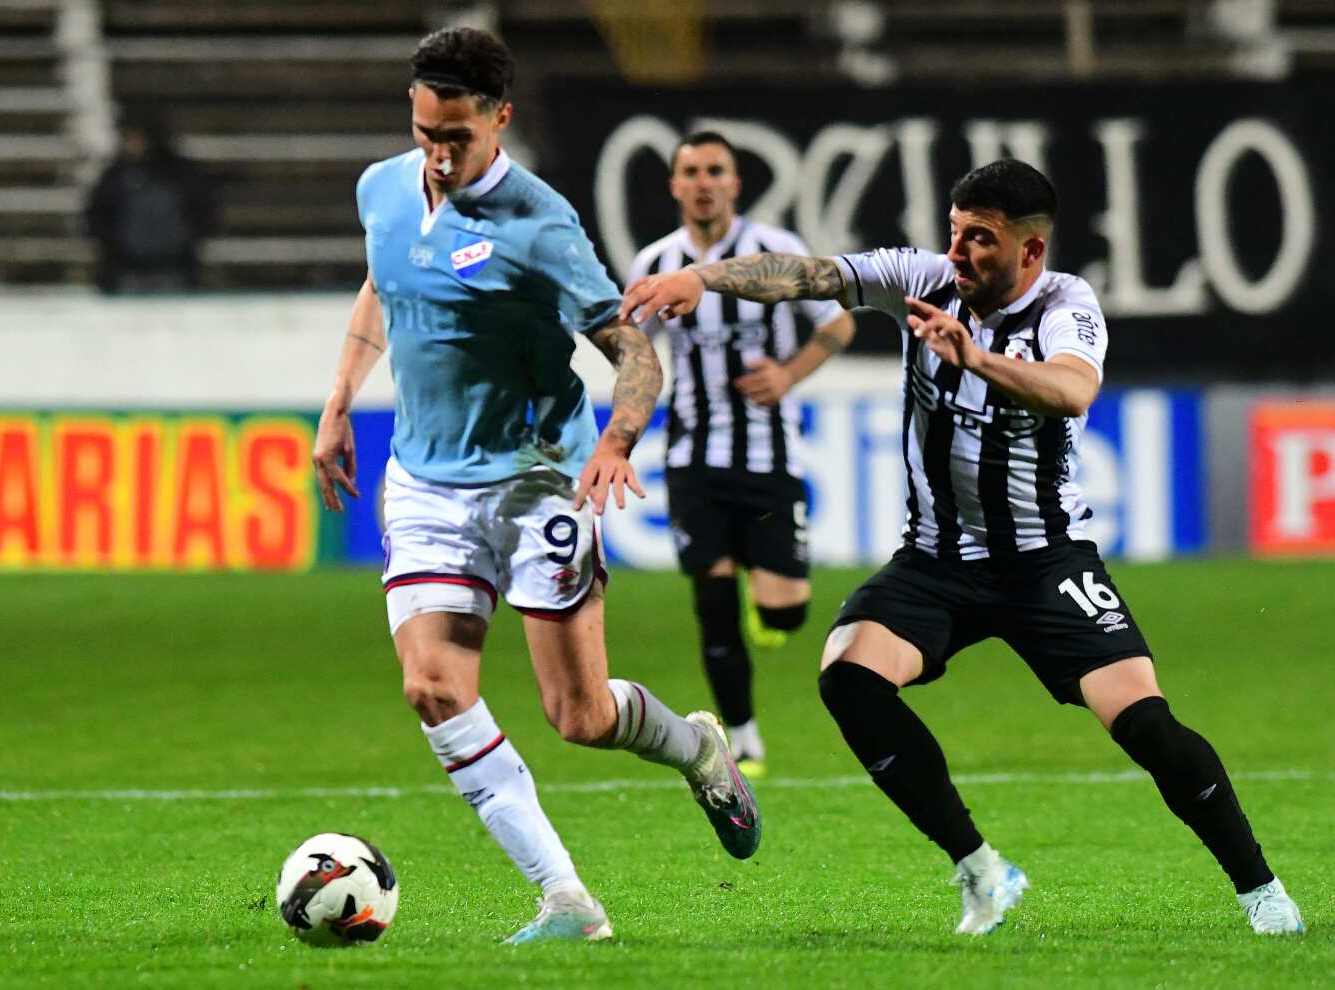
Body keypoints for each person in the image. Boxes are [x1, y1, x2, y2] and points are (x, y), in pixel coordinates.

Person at [620, 159, 1303, 936]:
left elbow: (1073, 389)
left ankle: (1262, 892)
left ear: (1029, 252)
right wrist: (703, 277)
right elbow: (808, 275)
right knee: (849, 677)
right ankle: (980, 867)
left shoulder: (1065, 304)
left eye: (981, 239)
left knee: (1146, 723)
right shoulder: (921, 278)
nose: (959, 253)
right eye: (955, 233)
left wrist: (974, 357)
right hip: (938, 559)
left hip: (1048, 558)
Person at [311, 27, 761, 945]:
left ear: (500, 119)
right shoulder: (383, 188)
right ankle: (567, 899)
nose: (438, 154)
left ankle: (694, 745)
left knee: (581, 716)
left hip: (533, 482)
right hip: (426, 484)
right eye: (426, 130)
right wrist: (338, 401)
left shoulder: (540, 224)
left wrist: (618, 438)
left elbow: (632, 349)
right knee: (433, 686)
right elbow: (383, 285)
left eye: (458, 136)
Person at [627, 131, 856, 777]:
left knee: (787, 609)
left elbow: (839, 321)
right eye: (691, 171)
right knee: (713, 597)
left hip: (769, 454)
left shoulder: (775, 251)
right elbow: (628, 346)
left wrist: (789, 375)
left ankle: (773, 608)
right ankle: (744, 738)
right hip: (693, 455)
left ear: (735, 182)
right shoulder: (656, 261)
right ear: (674, 185)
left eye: (715, 170)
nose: (703, 181)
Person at [85, 113, 215, 293]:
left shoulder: (181, 174)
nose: (133, 144)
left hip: (175, 268)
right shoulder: (115, 176)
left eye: (138, 138)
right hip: (127, 269)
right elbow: (98, 216)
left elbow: (203, 211)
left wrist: (189, 239)